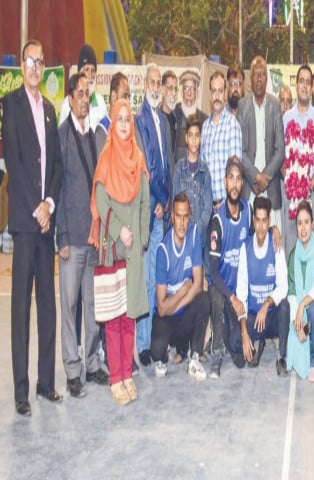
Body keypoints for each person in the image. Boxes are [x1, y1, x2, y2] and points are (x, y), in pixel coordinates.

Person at [3, 39, 63, 416]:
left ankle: (45, 384)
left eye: (41, 62)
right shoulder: (10, 105)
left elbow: (55, 165)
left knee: (47, 308)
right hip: (26, 227)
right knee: (21, 309)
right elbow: (14, 162)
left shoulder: (50, 112)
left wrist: (50, 205)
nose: (36, 68)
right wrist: (35, 209)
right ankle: (22, 391)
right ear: (22, 65)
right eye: (31, 61)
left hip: (46, 225)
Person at [89, 98, 150, 406]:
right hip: (113, 249)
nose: (125, 124)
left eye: (128, 119)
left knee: (130, 317)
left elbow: (144, 204)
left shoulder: (138, 159)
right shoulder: (106, 157)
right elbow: (101, 201)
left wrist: (139, 237)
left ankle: (127, 373)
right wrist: (119, 232)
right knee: (113, 318)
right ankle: (116, 378)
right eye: (120, 119)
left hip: (133, 251)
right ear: (113, 122)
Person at [57, 73, 109, 398]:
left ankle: (91, 362)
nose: (83, 100)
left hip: (93, 238)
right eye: (78, 94)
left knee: (92, 305)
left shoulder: (96, 136)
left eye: (87, 95)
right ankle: (72, 370)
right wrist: (60, 236)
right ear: (70, 98)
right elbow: (57, 187)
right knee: (69, 305)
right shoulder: (61, 136)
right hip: (71, 238)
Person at [135, 63, 173, 367]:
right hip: (149, 213)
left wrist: (168, 201)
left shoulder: (163, 119)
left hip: (163, 211)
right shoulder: (140, 121)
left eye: (159, 82)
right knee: (147, 281)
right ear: (144, 84)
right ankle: (144, 343)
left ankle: (159, 338)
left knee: (161, 278)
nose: (156, 86)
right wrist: (159, 201)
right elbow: (146, 166)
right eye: (152, 81)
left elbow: (167, 166)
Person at [150, 193, 209, 381]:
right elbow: (161, 307)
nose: (182, 223)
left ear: (189, 217)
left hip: (183, 314)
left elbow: (198, 284)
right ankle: (165, 351)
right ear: (172, 217)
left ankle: (193, 358)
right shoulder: (163, 251)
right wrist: (183, 291)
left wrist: (174, 302)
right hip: (166, 319)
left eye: (185, 216)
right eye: (178, 216)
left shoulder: (193, 234)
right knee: (156, 352)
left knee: (204, 299)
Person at [233, 197, 290, 374]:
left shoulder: (276, 244)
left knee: (285, 307)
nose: (260, 226)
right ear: (254, 221)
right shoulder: (245, 248)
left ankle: (281, 356)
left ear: (269, 222)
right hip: (254, 317)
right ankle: (258, 341)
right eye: (257, 221)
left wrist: (266, 304)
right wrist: (243, 332)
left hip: (271, 316)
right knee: (235, 341)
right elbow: (241, 293)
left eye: (264, 221)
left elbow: (283, 286)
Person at [207, 157, 252, 376]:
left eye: (238, 179)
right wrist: (231, 297)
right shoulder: (217, 220)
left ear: (242, 183)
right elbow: (213, 272)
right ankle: (216, 353)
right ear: (225, 182)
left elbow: (255, 246)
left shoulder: (248, 211)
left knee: (244, 360)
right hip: (223, 288)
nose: (234, 184)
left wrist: (274, 232)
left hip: (239, 291)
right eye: (230, 179)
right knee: (215, 297)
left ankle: (224, 333)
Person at [281, 65, 314, 257]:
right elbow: (281, 160)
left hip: (311, 194)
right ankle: (291, 287)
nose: (306, 86)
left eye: (309, 82)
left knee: (311, 248)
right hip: (289, 195)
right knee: (291, 246)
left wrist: (307, 188)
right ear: (296, 85)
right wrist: (292, 184)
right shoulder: (286, 118)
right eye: (302, 81)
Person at [238, 55, 285, 231]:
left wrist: (265, 177)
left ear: (267, 78)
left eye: (262, 74)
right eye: (256, 75)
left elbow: (280, 150)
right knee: (249, 239)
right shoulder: (243, 106)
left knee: (275, 243)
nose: (259, 79)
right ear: (250, 79)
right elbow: (240, 150)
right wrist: (255, 177)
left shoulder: (275, 104)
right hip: (250, 188)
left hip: (270, 186)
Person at [286, 201, 314, 381]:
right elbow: (293, 292)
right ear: (296, 227)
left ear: (312, 224)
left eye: (306, 222)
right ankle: (304, 332)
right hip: (299, 312)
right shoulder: (293, 255)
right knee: (296, 348)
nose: (303, 228)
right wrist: (298, 323)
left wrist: (303, 304)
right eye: (299, 223)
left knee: (312, 310)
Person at [201, 71, 242, 210]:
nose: (217, 96)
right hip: (207, 207)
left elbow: (235, 170)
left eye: (220, 91)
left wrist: (226, 204)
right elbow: (202, 167)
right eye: (214, 91)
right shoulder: (205, 127)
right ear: (210, 95)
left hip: (226, 206)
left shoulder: (232, 124)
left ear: (225, 94)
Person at [172, 115, 213, 256]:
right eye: (191, 136)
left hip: (199, 239)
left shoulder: (205, 170)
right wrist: (184, 228)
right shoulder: (179, 168)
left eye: (197, 136)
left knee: (198, 276)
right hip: (181, 236)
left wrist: (196, 230)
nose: (194, 140)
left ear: (200, 138)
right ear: (186, 138)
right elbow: (175, 202)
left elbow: (207, 209)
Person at [59, 44, 107, 131]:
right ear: (79, 73)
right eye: (86, 70)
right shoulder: (68, 103)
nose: (90, 75)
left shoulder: (100, 102)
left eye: (93, 70)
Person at [174, 70, 207, 164]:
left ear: (197, 92)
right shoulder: (174, 114)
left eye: (192, 89)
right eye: (186, 88)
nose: (189, 93)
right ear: (181, 92)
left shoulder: (204, 119)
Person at [96, 72, 130, 153]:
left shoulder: (125, 129)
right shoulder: (102, 130)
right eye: (124, 96)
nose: (128, 101)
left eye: (129, 97)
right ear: (114, 97)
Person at [160, 70, 178, 151]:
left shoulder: (177, 118)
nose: (174, 93)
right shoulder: (156, 119)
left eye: (176, 89)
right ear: (162, 90)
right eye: (170, 88)